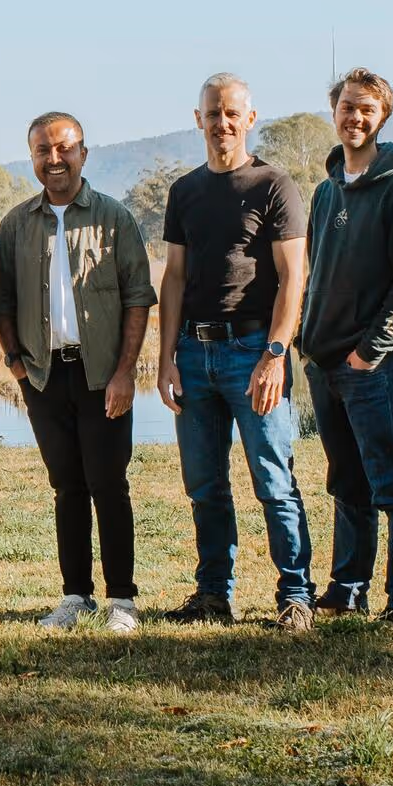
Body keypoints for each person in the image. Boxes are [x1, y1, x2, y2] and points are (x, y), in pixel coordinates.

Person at [157, 74, 316, 630]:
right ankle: (212, 594)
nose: (221, 123)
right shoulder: (185, 192)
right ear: (197, 119)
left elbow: (293, 278)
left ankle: (296, 596)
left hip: (254, 351)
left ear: (249, 119)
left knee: (273, 480)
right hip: (194, 353)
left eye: (232, 113)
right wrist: (166, 356)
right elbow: (173, 278)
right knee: (205, 484)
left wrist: (275, 353)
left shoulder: (274, 185)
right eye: (212, 113)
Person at [0, 111, 155, 634]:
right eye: (43, 150)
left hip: (102, 373)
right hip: (44, 376)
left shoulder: (113, 218)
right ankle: (75, 596)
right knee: (66, 485)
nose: (54, 159)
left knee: (108, 483)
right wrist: (17, 364)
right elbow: (2, 300)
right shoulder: (17, 224)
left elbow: (137, 297)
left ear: (84, 152)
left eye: (64, 148)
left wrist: (126, 372)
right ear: (32, 157)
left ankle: (122, 602)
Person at [297, 69, 393, 625]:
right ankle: (348, 587)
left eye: (367, 109)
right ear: (334, 111)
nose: (354, 117)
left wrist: (370, 352)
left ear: (382, 118)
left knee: (392, 483)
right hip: (322, 363)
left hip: (368, 366)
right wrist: (307, 344)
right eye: (347, 106)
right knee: (346, 481)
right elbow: (313, 273)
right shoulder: (325, 192)